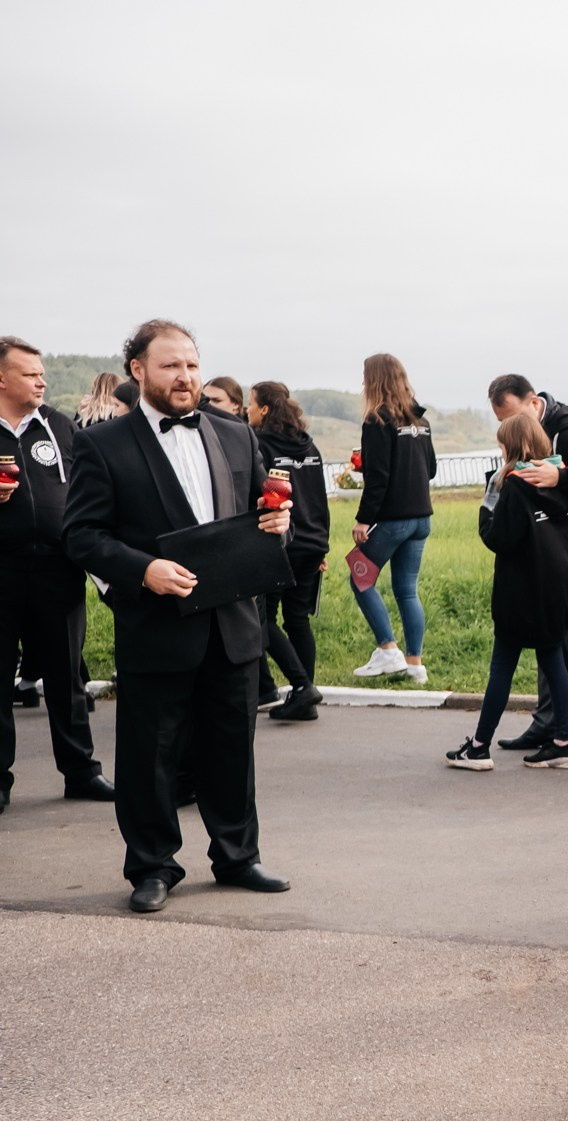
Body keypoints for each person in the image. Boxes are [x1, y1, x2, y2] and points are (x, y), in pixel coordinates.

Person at [64, 319, 295, 912]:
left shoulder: (236, 435)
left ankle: (237, 857)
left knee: (231, 751)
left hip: (233, 627)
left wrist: (278, 525)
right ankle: (152, 866)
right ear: (138, 370)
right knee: (151, 757)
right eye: (170, 365)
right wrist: (144, 569)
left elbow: (256, 517)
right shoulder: (100, 444)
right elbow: (82, 535)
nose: (185, 376)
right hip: (156, 627)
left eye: (191, 364)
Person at [0, 335, 114, 814]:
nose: (41, 381)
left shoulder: (61, 427)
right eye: (30, 374)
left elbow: (89, 490)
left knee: (67, 678)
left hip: (57, 568)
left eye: (42, 373)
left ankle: (81, 771)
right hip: (2, 572)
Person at [445, 414, 568, 772]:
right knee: (554, 661)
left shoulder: (515, 486)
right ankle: (564, 742)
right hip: (557, 587)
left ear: (512, 447)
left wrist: (487, 504)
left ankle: (479, 748)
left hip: (520, 592)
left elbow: (498, 538)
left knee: (502, 667)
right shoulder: (562, 478)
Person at [488, 374, 568, 753]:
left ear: (533, 402)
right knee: (547, 642)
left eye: (513, 417)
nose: (510, 427)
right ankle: (547, 723)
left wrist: (559, 474)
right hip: (538, 560)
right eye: (503, 422)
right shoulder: (525, 433)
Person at [348, 353, 435, 684]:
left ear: (374, 380)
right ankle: (415, 665)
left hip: (393, 520)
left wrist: (362, 520)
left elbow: (379, 479)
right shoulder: (421, 422)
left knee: (360, 578)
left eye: (365, 376)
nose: (362, 383)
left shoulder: (377, 420)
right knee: (407, 590)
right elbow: (431, 469)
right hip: (421, 518)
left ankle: (388, 650)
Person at [248, 382, 328, 722]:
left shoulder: (261, 445)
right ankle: (304, 699)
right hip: (314, 541)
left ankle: (302, 687)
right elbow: (319, 497)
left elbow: (269, 500)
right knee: (297, 619)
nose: (247, 410)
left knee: (263, 620)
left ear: (265, 409)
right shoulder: (309, 445)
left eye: (250, 404)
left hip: (283, 541)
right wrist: (323, 543)